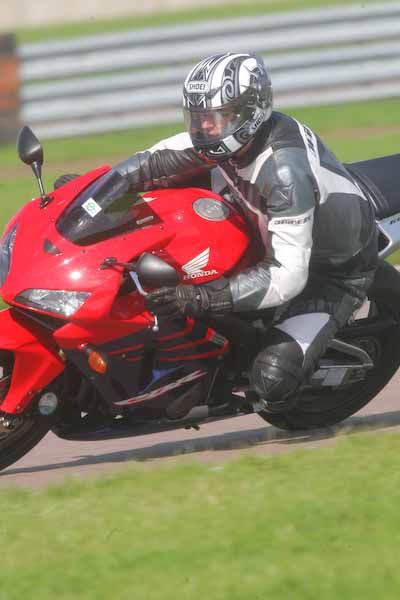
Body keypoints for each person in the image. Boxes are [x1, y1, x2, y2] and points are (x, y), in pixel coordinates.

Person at [110, 53, 379, 413]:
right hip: (260, 223)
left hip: (328, 270)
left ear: (250, 112)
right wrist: (94, 190)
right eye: (198, 116)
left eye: (217, 116)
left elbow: (287, 275)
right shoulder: (227, 139)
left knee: (271, 379)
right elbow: (149, 162)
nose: (204, 127)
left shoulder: (283, 173)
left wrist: (199, 298)